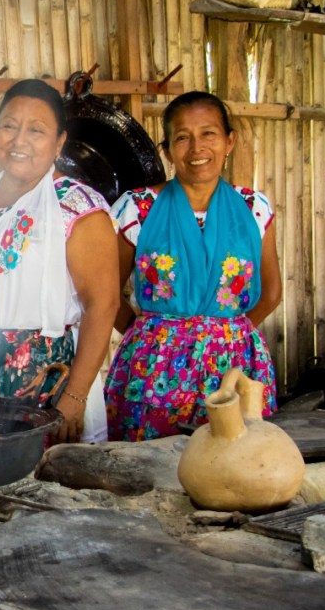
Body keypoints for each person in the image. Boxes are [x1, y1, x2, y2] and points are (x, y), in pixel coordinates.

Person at [105, 91, 282, 441]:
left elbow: (272, 292)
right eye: (182, 137)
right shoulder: (137, 209)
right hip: (154, 368)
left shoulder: (253, 208)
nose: (196, 147)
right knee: (153, 466)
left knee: (236, 464)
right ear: (168, 150)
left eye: (208, 134)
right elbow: (107, 294)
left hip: (235, 366)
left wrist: (228, 336)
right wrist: (149, 339)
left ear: (229, 141)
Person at [0, 79, 119, 444]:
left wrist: (74, 396)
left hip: (47, 379)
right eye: (9, 126)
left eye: (36, 130)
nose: (19, 141)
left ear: (59, 142)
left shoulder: (77, 207)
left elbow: (103, 305)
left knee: (46, 487)